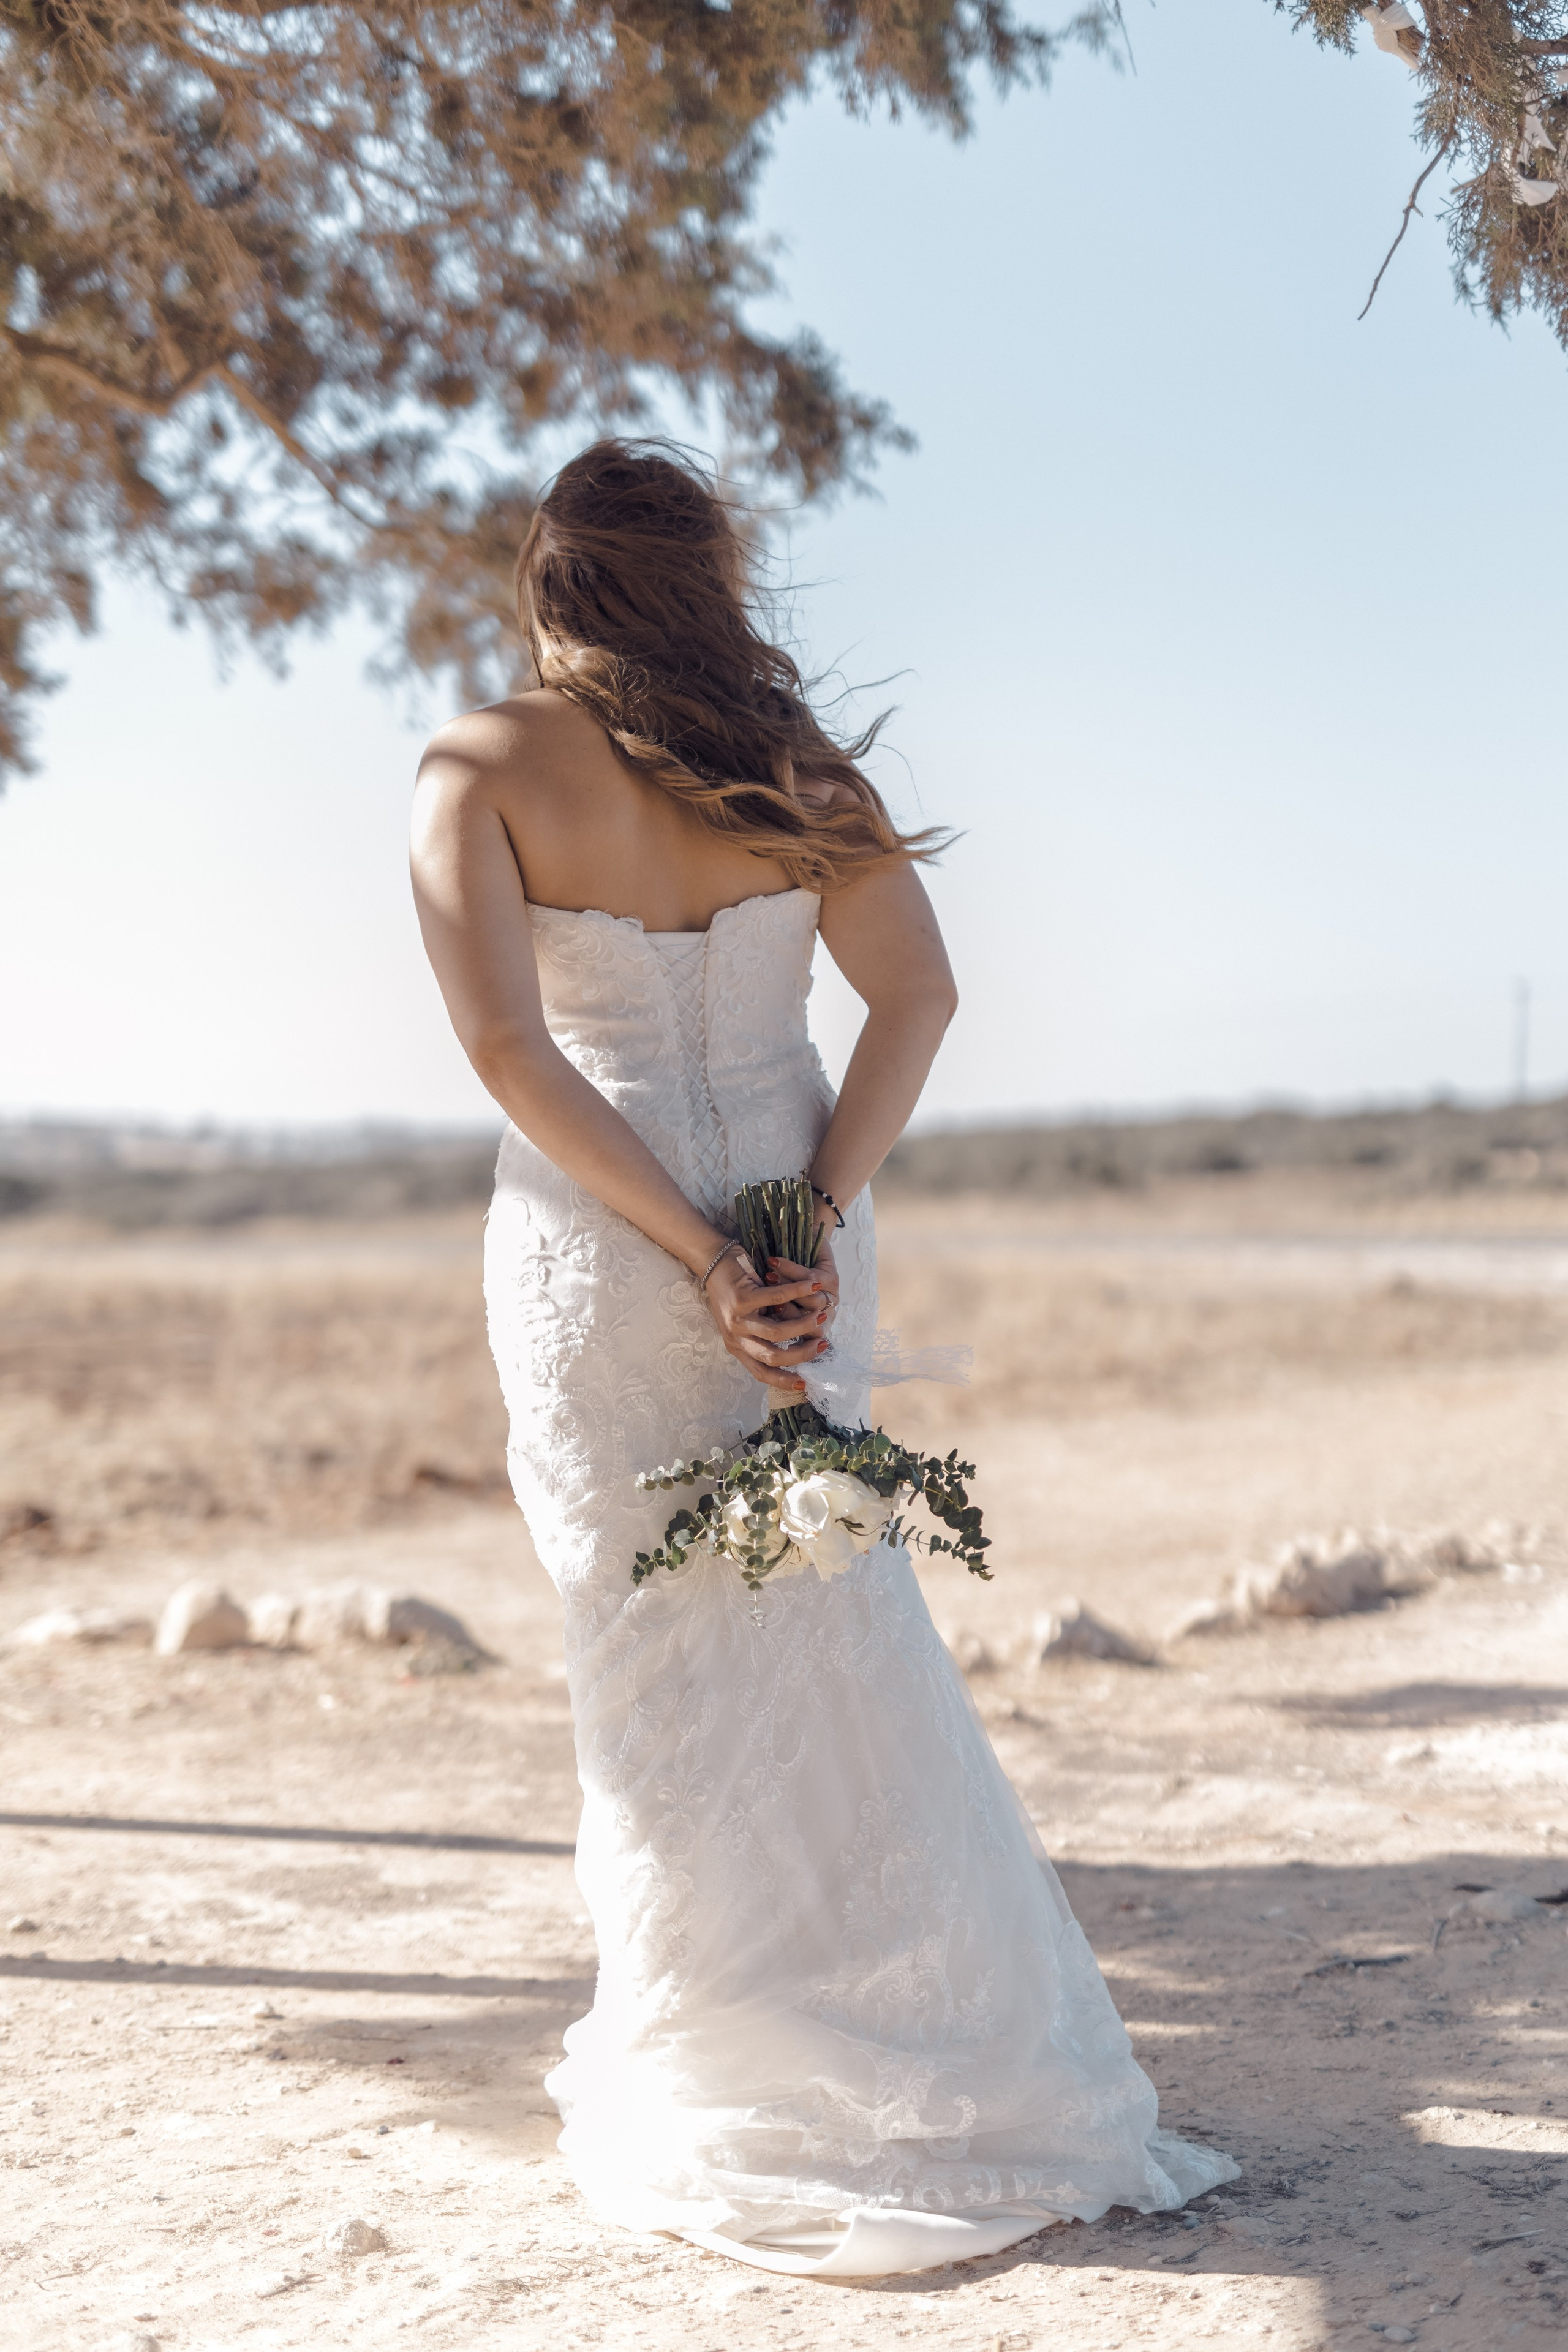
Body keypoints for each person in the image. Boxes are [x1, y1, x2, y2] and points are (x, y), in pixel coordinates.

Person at [410, 439, 1235, 2279]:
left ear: (552, 589)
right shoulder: (793, 776)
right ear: (711, 582)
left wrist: (696, 1251)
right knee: (831, 1609)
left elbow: (508, 1052)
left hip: (601, 1242)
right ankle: (931, 2054)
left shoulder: (474, 767)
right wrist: (806, 1220)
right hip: (797, 1209)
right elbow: (917, 992)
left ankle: (722, 2050)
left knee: (645, 1628)